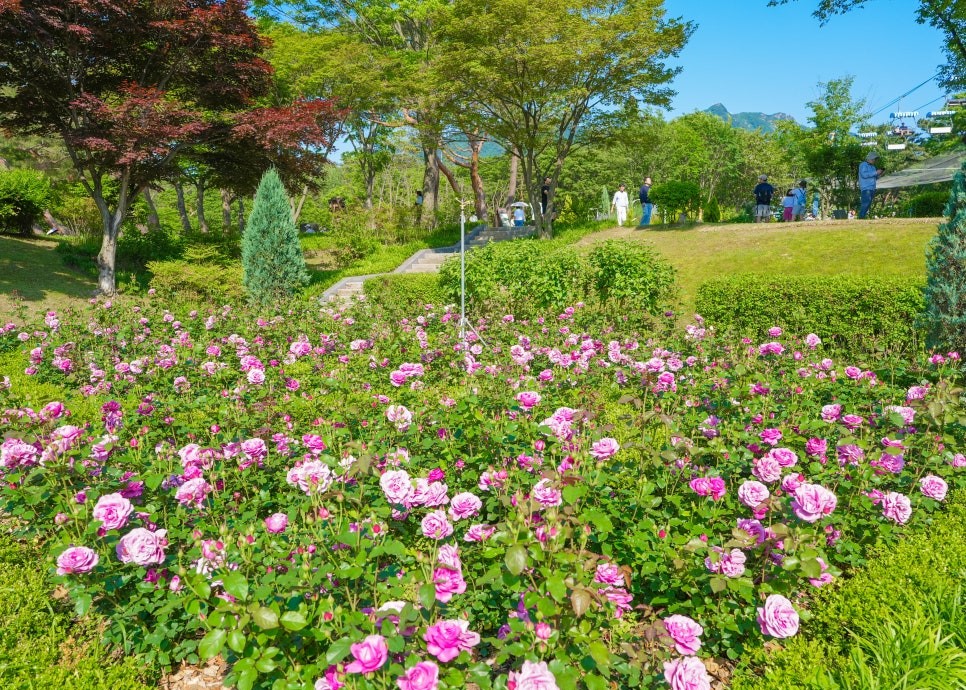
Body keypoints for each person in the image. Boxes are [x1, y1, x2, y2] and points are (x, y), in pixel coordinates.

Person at [858, 152, 883, 219]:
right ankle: (861, 217)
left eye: (875, 159)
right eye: (874, 159)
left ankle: (862, 217)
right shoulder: (863, 165)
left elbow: (875, 177)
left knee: (868, 203)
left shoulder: (873, 167)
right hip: (866, 188)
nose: (874, 160)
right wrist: (876, 172)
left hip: (872, 188)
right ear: (869, 158)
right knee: (866, 202)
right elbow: (864, 175)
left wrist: (880, 174)